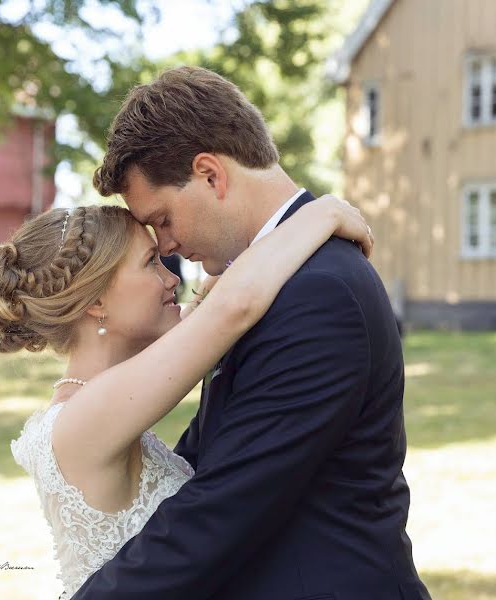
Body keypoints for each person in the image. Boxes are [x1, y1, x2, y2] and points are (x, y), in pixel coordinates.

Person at [71, 67, 431, 599]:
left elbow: (226, 505)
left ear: (210, 174)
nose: (166, 246)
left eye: (163, 218)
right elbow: (207, 454)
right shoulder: (272, 278)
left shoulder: (319, 291)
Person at [0, 197, 373, 598]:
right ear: (95, 301)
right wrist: (322, 213)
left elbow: (201, 321)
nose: (172, 278)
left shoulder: (96, 400)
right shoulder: (87, 416)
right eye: (150, 262)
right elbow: (234, 309)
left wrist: (206, 296)